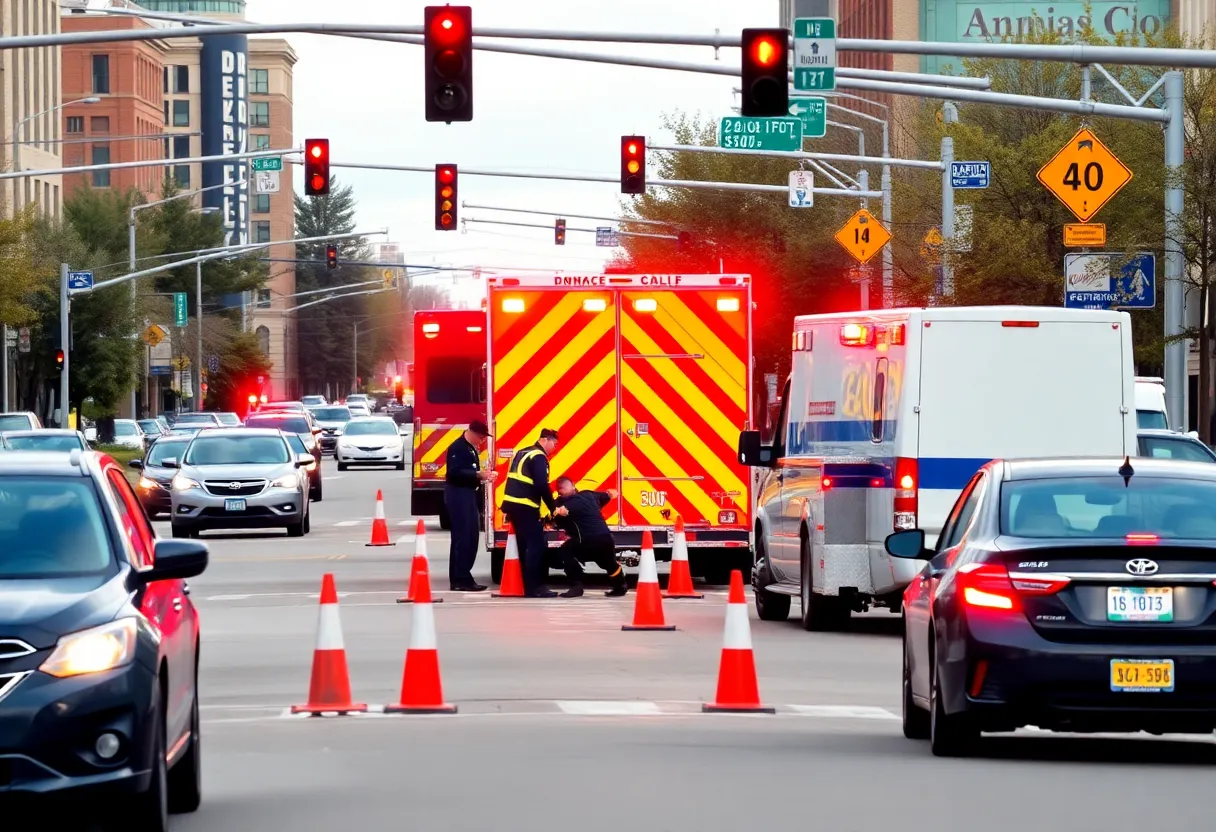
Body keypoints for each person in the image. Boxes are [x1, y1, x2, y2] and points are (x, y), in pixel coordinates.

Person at [500, 428, 565, 598]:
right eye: (554, 444)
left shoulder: (523, 452)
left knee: (524, 547)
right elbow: (541, 485)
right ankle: (535, 588)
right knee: (536, 546)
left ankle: (526, 585)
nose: (555, 448)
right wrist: (553, 508)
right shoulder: (538, 456)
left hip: (513, 505)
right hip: (526, 506)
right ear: (545, 440)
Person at [551, 477, 627, 598]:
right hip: (606, 538)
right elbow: (607, 496)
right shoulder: (589, 495)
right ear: (573, 485)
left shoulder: (561, 504)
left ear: (558, 491)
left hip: (587, 541)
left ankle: (576, 586)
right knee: (609, 563)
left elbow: (552, 516)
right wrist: (611, 494)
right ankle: (620, 587)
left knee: (566, 550)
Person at [444, 420, 496, 591]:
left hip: (468, 494)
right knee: (463, 537)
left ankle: (463, 575)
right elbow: (454, 472)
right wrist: (477, 474)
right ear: (471, 432)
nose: (481, 441)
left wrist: (481, 475)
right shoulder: (458, 448)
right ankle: (460, 578)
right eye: (480, 437)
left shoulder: (469, 448)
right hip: (458, 495)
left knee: (471, 536)